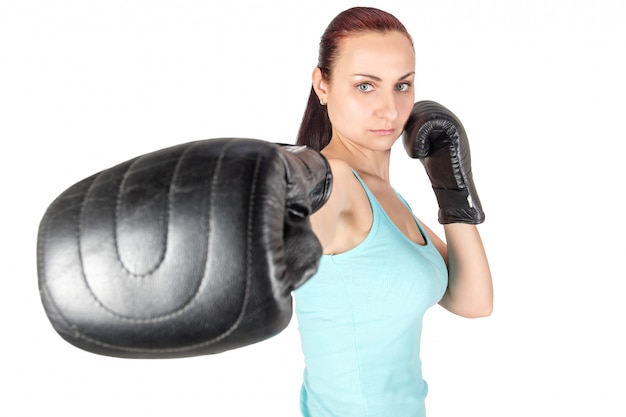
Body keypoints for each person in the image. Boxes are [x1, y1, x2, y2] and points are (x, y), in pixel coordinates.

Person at [293, 6, 493, 416]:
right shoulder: (335, 182)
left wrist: (452, 193)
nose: (389, 109)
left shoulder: (385, 196)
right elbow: (296, 243)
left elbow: (473, 301)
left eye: (402, 86)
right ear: (323, 85)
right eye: (366, 86)